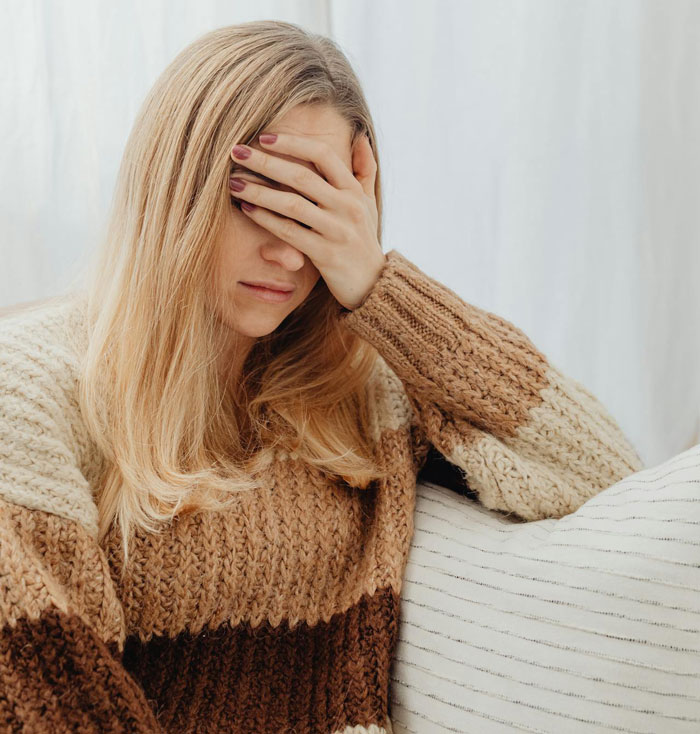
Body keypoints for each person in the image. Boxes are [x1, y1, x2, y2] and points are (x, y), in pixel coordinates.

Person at [0, 19, 644, 734]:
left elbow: (611, 482)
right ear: (176, 187)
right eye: (258, 200)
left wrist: (379, 285)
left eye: (316, 207)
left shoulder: (368, 395)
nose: (287, 253)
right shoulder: (33, 386)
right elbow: (41, 686)